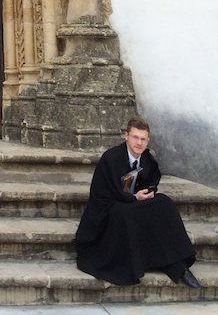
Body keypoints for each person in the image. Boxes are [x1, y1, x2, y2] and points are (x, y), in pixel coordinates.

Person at [75, 116, 200, 288]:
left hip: (135, 203)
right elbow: (106, 192)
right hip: (109, 207)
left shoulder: (147, 160)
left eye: (143, 139)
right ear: (126, 136)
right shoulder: (111, 158)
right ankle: (134, 264)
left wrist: (148, 192)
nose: (139, 143)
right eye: (135, 137)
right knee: (126, 214)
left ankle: (178, 265)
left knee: (165, 204)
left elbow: (152, 180)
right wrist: (133, 198)